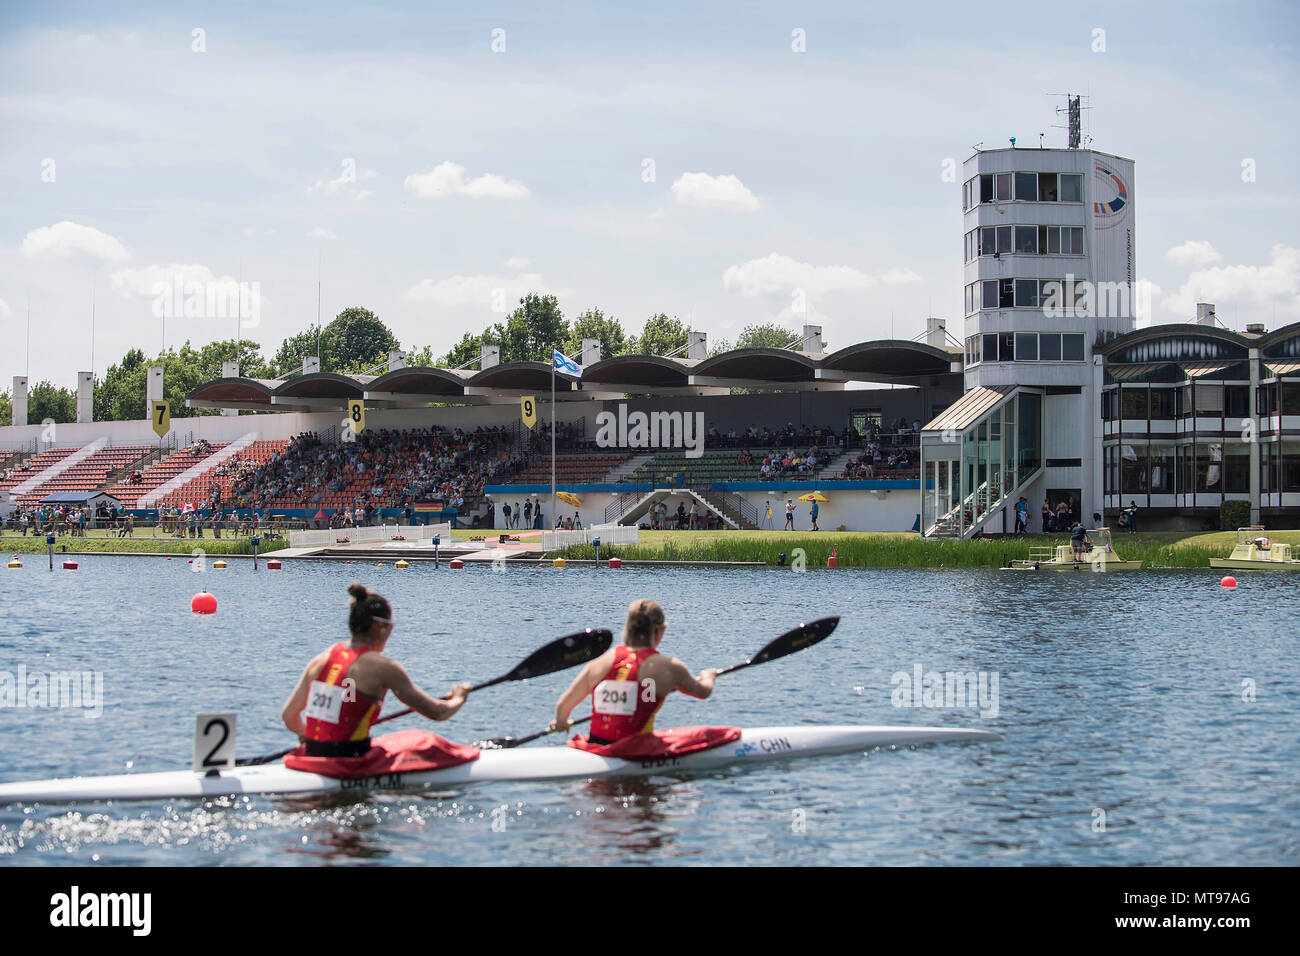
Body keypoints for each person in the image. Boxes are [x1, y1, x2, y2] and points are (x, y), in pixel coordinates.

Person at [281, 583, 470, 756]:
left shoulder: (321, 660)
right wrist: (459, 698)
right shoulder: (384, 668)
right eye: (390, 627)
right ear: (380, 627)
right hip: (351, 760)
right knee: (428, 742)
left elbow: (289, 717)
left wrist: (308, 735)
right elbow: (438, 712)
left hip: (311, 754)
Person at [549, 599, 716, 744]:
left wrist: (561, 722)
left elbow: (562, 706)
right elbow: (703, 692)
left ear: (628, 628)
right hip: (636, 750)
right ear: (659, 631)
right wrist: (708, 677)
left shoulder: (600, 661)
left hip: (595, 745)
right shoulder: (669, 667)